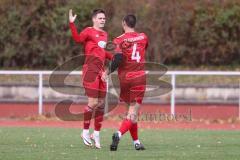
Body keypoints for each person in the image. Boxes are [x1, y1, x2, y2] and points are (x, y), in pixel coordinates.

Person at [69, 9, 113, 149]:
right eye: (100, 18)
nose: (103, 20)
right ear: (94, 19)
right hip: (90, 71)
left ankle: (97, 134)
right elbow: (77, 39)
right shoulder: (88, 31)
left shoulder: (105, 34)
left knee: (100, 104)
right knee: (93, 102)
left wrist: (114, 57)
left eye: (104, 18)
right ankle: (85, 132)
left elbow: (102, 52)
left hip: (101, 72)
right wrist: (72, 24)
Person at [106, 14, 148, 151]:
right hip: (139, 78)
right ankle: (118, 134)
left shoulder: (118, 40)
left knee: (130, 112)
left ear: (124, 23)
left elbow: (117, 58)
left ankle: (136, 142)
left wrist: (107, 72)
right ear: (134, 23)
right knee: (133, 112)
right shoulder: (143, 37)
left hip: (124, 79)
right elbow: (142, 49)